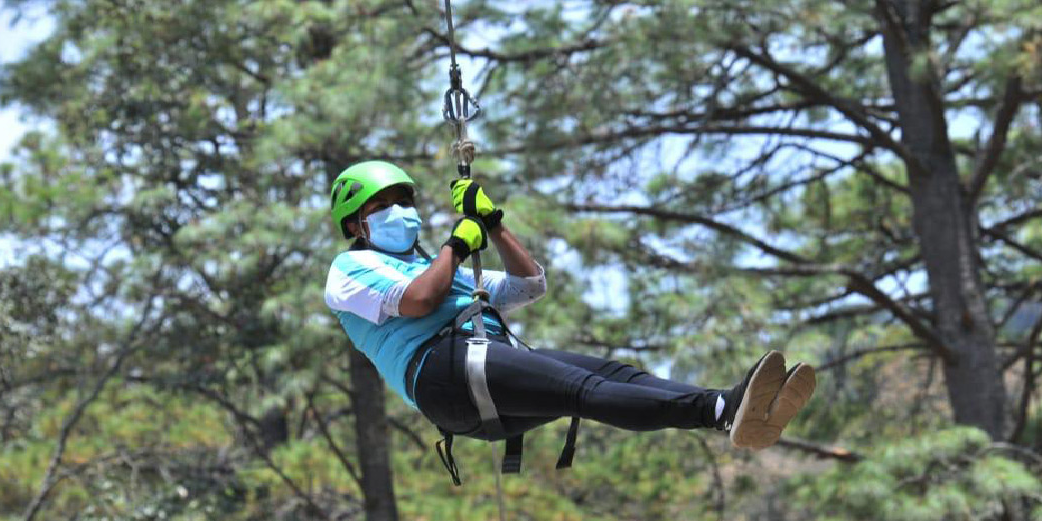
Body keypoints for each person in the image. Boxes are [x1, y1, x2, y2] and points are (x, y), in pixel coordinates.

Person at [323, 160, 816, 466]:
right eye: (383, 205)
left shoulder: (438, 266)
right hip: (444, 376)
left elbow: (528, 284)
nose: (400, 212)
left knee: (611, 372)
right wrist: (455, 244)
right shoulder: (351, 267)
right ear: (356, 223)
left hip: (482, 367)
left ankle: (728, 408)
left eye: (404, 201)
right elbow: (420, 301)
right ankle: (718, 412)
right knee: (585, 392)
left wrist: (492, 225)